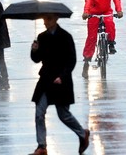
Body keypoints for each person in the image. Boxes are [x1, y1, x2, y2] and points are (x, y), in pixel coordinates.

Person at [30, 14, 90, 155]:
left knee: (63, 114)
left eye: (48, 19)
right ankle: (41, 146)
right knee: (39, 112)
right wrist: (34, 50)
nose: (45, 22)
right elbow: (37, 59)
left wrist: (62, 76)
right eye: (44, 19)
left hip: (61, 81)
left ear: (55, 19)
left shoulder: (65, 37)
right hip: (45, 80)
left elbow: (72, 60)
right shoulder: (42, 37)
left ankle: (82, 133)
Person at [82, 0, 123, 78]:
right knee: (91, 37)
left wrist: (119, 10)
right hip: (93, 12)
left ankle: (111, 43)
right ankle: (86, 62)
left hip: (106, 11)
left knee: (110, 24)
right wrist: (86, 12)